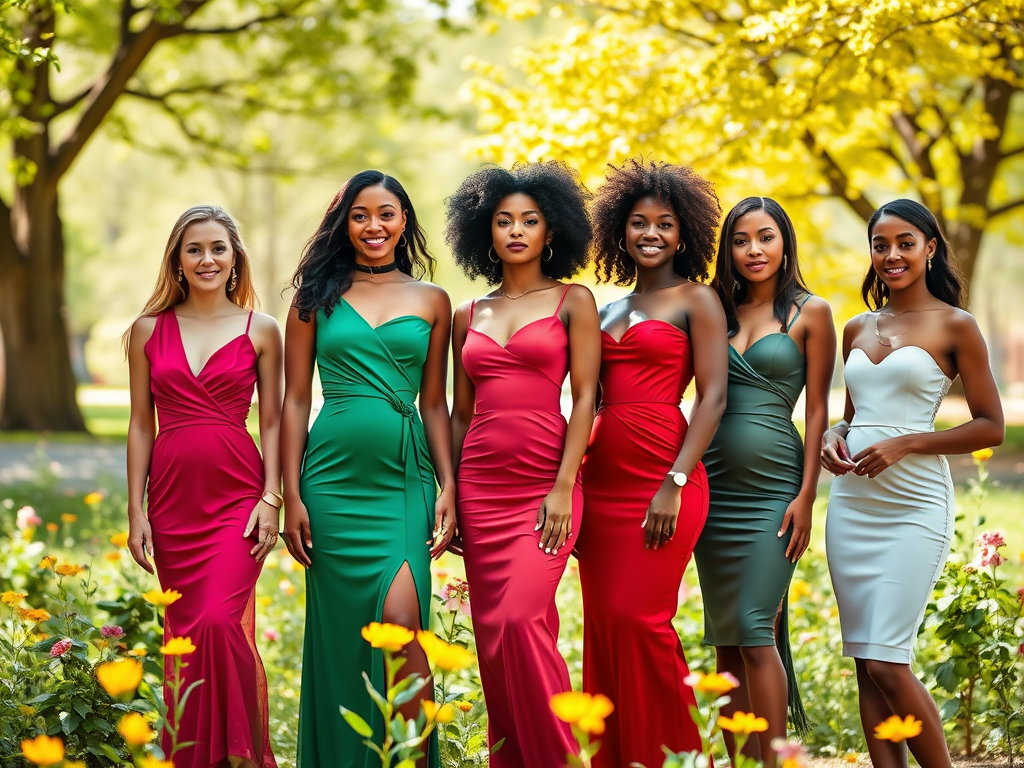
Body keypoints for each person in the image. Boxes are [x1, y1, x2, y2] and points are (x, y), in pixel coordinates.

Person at [280, 171, 454, 768]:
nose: (373, 226)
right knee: (340, 641)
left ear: (405, 220)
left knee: (404, 628)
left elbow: (435, 402)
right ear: (343, 223)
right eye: (360, 214)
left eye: (386, 213)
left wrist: (449, 484)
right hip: (329, 484)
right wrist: (290, 494)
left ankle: (406, 761)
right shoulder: (313, 299)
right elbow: (295, 401)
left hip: (404, 481)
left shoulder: (433, 300)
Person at [822, 198, 1004, 768]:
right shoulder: (856, 326)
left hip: (914, 504)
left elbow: (991, 426)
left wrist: (907, 443)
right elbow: (856, 414)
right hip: (852, 503)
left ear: (930, 248)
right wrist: (833, 432)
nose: (892, 254)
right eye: (881, 244)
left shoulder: (956, 324)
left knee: (886, 662)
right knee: (863, 661)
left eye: (906, 243)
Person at [445, 162, 601, 768]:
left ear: (551, 231)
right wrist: (452, 494)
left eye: (529, 221)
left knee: (522, 621)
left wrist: (565, 485)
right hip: (481, 487)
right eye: (504, 220)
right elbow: (461, 414)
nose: (516, 231)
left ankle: (559, 759)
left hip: (547, 484)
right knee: (493, 639)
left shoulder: (573, 301)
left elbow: (586, 397)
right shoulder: (469, 314)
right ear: (485, 233)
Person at [575, 159, 728, 767]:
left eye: (664, 224)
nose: (651, 234)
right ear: (619, 231)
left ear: (683, 233)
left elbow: (712, 396)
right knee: (606, 625)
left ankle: (678, 756)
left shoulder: (698, 299)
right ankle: (615, 756)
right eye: (638, 223)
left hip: (666, 474)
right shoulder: (605, 310)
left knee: (643, 622)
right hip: (602, 481)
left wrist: (676, 479)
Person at [125, 204, 282, 768]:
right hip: (171, 501)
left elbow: (272, 422)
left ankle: (241, 755)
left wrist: (273, 496)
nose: (207, 258)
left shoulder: (260, 329)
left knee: (220, 621)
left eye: (218, 248)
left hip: (238, 494)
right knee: (187, 636)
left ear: (235, 257)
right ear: (178, 260)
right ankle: (192, 755)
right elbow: (142, 422)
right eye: (195, 249)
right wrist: (135, 510)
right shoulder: (147, 331)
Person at [693, 196, 835, 763]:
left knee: (756, 626)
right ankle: (740, 762)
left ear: (785, 242)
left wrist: (807, 497)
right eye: (741, 240)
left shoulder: (811, 312)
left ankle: (774, 760)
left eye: (766, 237)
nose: (754, 250)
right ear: (727, 249)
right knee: (727, 637)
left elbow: (819, 411)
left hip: (776, 489)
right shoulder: (713, 310)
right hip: (712, 489)